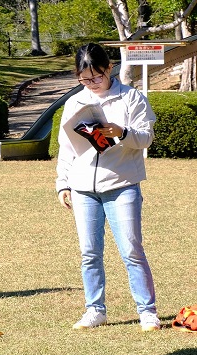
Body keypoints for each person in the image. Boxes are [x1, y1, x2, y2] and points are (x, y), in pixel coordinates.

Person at [56, 43, 160, 332]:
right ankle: (95, 309)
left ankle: (147, 310)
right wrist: (63, 183)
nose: (91, 84)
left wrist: (121, 132)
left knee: (131, 249)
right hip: (83, 187)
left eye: (96, 77)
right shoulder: (74, 102)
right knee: (89, 252)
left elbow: (145, 138)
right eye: (84, 79)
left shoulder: (132, 98)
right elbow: (66, 148)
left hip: (122, 184)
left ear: (109, 69)